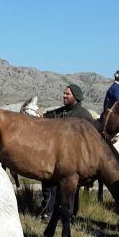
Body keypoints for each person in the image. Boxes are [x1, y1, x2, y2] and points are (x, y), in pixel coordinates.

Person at [40, 83, 94, 218]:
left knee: (71, 188)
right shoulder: (61, 111)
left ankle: (70, 214)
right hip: (57, 156)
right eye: (64, 93)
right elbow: (50, 116)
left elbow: (91, 138)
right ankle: (48, 212)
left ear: (75, 96)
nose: (64, 96)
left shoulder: (84, 115)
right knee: (50, 182)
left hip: (74, 160)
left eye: (67, 94)